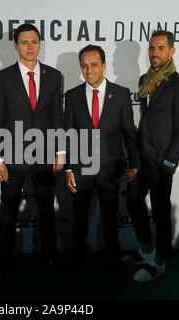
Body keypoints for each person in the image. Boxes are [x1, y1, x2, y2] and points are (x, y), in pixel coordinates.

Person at [0, 23, 65, 282]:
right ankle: (4, 263)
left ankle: (50, 257)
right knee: (8, 212)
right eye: (24, 42)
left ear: (40, 44)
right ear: (15, 46)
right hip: (12, 157)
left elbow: (57, 115)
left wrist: (60, 150)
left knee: (46, 210)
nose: (30, 47)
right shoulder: (1, 78)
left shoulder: (54, 76)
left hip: (45, 156)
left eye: (34, 41)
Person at [64, 45, 140, 277]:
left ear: (104, 65)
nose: (89, 70)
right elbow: (68, 135)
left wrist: (134, 163)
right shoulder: (73, 95)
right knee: (79, 220)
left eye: (94, 65)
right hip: (81, 170)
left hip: (110, 170)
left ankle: (113, 265)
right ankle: (75, 262)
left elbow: (129, 131)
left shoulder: (121, 93)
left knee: (109, 221)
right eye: (84, 66)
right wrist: (68, 168)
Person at [125, 30, 179, 282]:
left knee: (161, 210)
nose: (155, 53)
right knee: (132, 199)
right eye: (152, 48)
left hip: (162, 160)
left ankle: (161, 260)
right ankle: (146, 249)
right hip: (142, 156)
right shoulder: (145, 79)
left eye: (161, 48)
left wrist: (170, 161)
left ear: (171, 51)